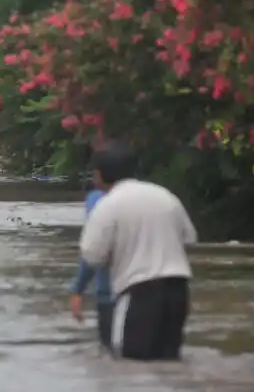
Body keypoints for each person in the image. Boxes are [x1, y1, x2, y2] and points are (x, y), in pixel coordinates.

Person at [79, 140, 197, 361]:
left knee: (128, 362)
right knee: (169, 361)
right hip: (178, 291)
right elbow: (190, 239)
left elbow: (92, 255)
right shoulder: (165, 196)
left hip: (138, 293)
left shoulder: (107, 205)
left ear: (99, 175)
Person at [68, 188, 113, 351]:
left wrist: (78, 289)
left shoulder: (96, 200)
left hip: (110, 297)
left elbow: (93, 250)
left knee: (110, 351)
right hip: (141, 291)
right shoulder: (147, 199)